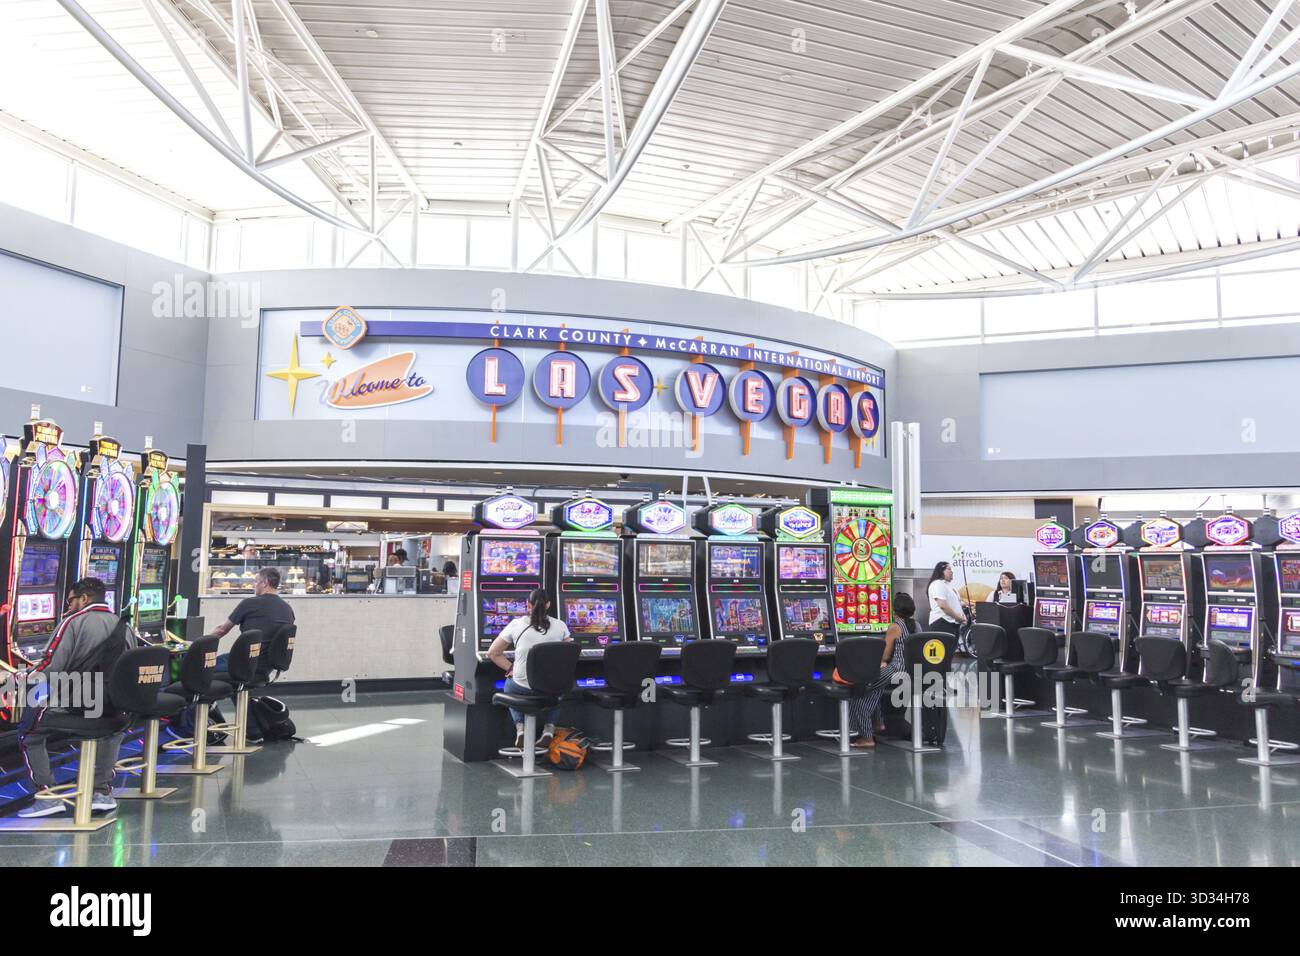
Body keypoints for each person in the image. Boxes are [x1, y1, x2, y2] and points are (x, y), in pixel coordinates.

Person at [17, 577, 134, 818]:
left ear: (83, 599)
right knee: (111, 730)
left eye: (70, 601)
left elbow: (51, 666)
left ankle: (47, 796)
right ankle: (100, 792)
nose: (68, 606)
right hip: (115, 708)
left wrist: (23, 676)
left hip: (76, 705)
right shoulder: (124, 626)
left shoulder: (73, 622)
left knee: (28, 729)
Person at [202, 568, 295, 741]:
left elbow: (222, 630)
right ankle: (252, 732)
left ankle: (202, 719)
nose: (254, 585)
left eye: (256, 581)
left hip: (244, 664)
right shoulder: (287, 609)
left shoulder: (250, 603)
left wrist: (198, 644)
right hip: (265, 668)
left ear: (265, 583)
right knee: (238, 684)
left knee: (200, 670)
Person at [486, 588, 571, 749]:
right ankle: (549, 728)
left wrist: (511, 668)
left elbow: (493, 653)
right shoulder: (560, 626)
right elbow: (570, 654)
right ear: (549, 605)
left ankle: (521, 728)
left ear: (528, 605)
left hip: (522, 688)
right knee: (560, 686)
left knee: (508, 684)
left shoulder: (516, 624)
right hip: (549, 688)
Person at [847, 592, 918, 749]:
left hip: (896, 669)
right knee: (874, 688)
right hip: (912, 671)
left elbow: (884, 655)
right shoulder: (916, 625)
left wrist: (879, 663)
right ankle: (878, 723)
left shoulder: (895, 626)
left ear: (894, 610)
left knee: (860, 686)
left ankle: (866, 737)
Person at [927, 561, 969, 640]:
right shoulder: (938, 584)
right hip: (942, 623)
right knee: (944, 650)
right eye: (949, 569)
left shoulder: (948, 586)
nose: (952, 571)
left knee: (950, 650)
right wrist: (958, 618)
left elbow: (954, 603)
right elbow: (943, 605)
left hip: (952, 624)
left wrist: (964, 605)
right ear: (941, 571)